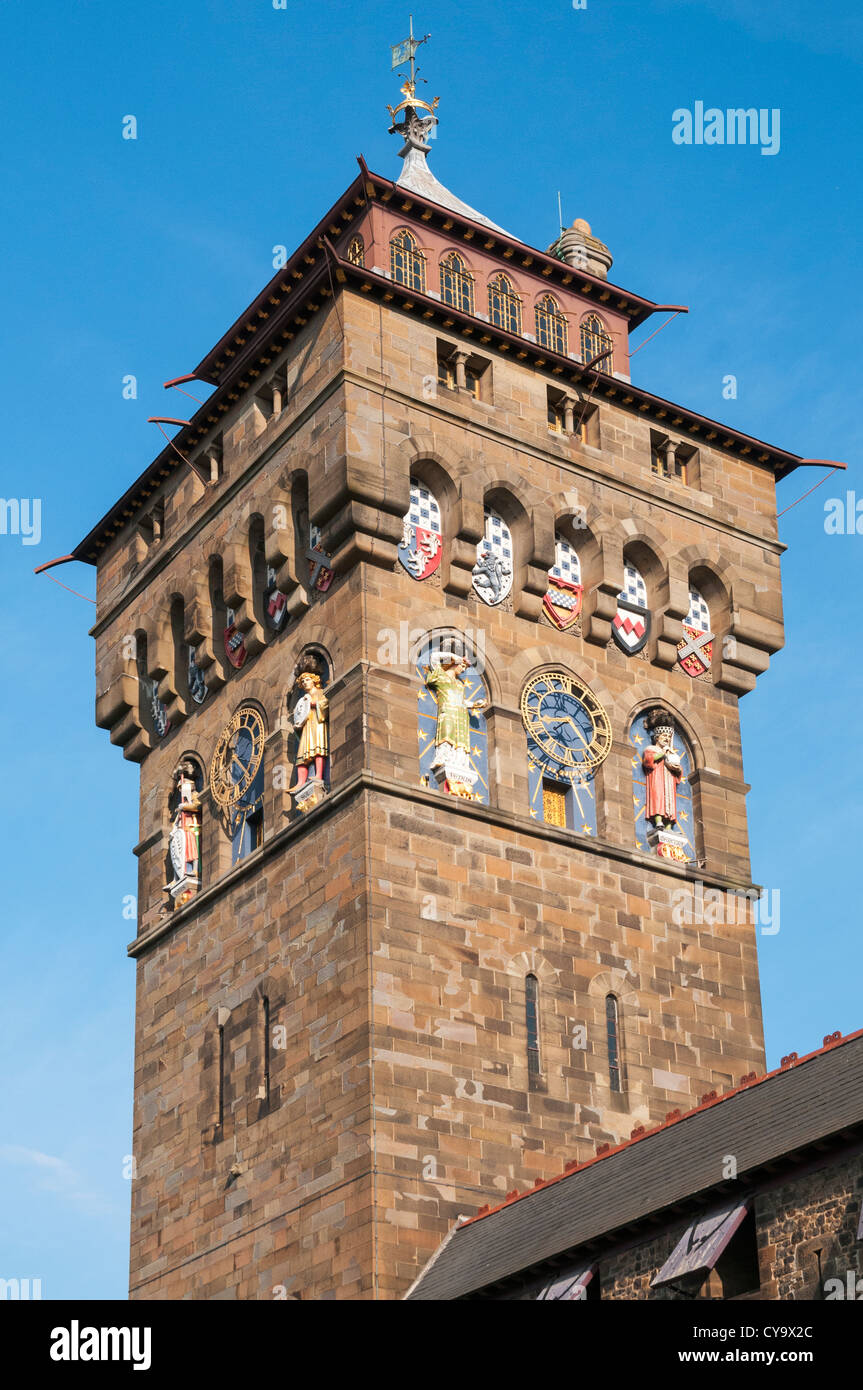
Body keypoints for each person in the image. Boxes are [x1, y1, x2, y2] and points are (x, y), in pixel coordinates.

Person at [641, 713, 683, 829]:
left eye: (669, 737)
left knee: (670, 800)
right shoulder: (651, 749)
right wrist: (662, 754)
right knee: (658, 797)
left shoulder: (670, 752)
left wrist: (678, 769)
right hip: (657, 779)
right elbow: (648, 760)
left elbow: (677, 769)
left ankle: (669, 826)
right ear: (657, 737)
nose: (667, 739)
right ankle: (658, 821)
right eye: (664, 736)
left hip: (669, 779)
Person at [291, 669, 329, 790]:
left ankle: (318, 775)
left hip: (317, 724)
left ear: (314, 681)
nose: (305, 682)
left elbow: (325, 703)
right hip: (307, 726)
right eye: (303, 681)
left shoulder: (320, 692)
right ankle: (300, 782)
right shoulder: (303, 699)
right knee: (302, 752)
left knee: (317, 749)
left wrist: (314, 704)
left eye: (307, 680)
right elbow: (299, 713)